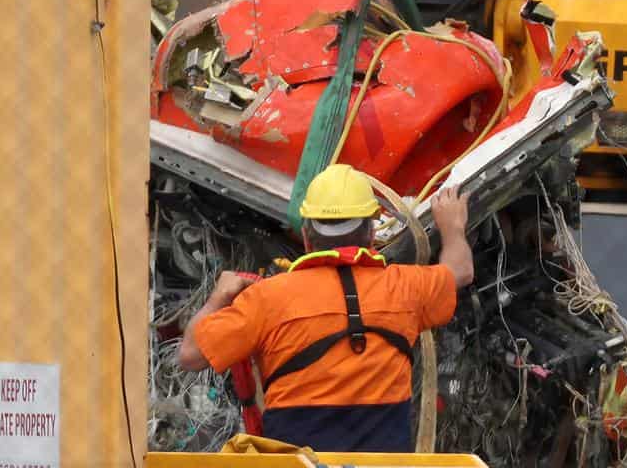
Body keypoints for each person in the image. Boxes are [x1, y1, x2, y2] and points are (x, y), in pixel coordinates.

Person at [177, 164, 475, 452]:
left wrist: (218, 297)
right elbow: (460, 270)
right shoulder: (407, 288)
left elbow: (190, 355)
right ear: (371, 234)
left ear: (306, 237)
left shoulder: (266, 299)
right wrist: (453, 228)